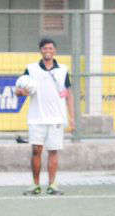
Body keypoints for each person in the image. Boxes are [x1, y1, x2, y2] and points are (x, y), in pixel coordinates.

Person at [17, 38, 75, 196]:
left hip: (56, 118)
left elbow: (68, 94)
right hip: (36, 118)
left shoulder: (62, 70)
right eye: (44, 48)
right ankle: (35, 185)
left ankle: (52, 185)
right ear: (40, 51)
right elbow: (19, 90)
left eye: (50, 48)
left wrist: (72, 117)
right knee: (36, 151)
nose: (47, 50)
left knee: (53, 151)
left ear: (55, 50)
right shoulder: (31, 69)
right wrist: (21, 91)